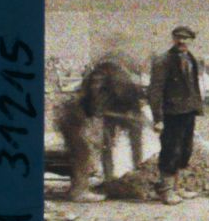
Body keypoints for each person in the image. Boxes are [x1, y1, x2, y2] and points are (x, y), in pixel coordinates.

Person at [57, 55, 148, 201]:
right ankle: (80, 191)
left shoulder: (120, 84)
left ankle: (102, 182)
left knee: (91, 149)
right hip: (77, 117)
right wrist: (124, 117)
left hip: (86, 115)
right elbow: (96, 109)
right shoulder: (105, 80)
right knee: (83, 152)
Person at [147, 25, 204, 203]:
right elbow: (155, 90)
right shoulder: (163, 60)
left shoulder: (191, 59)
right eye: (178, 37)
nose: (182, 41)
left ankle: (177, 188)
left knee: (185, 150)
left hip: (188, 111)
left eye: (186, 38)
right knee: (170, 150)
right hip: (171, 113)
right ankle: (166, 190)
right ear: (173, 38)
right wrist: (158, 118)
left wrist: (196, 107)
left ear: (191, 40)